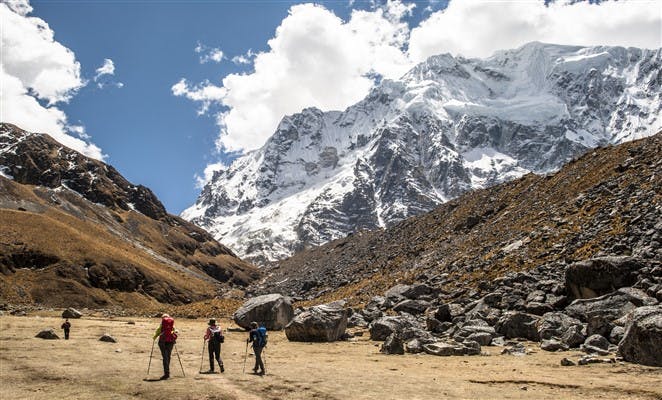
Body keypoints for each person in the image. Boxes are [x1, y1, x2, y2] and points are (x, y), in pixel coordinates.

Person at [153, 313, 177, 380]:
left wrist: (154, 337)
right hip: (170, 342)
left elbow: (157, 332)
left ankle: (166, 373)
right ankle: (167, 372)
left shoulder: (161, 325)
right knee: (168, 356)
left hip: (162, 341)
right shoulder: (172, 325)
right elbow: (175, 331)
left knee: (164, 357)